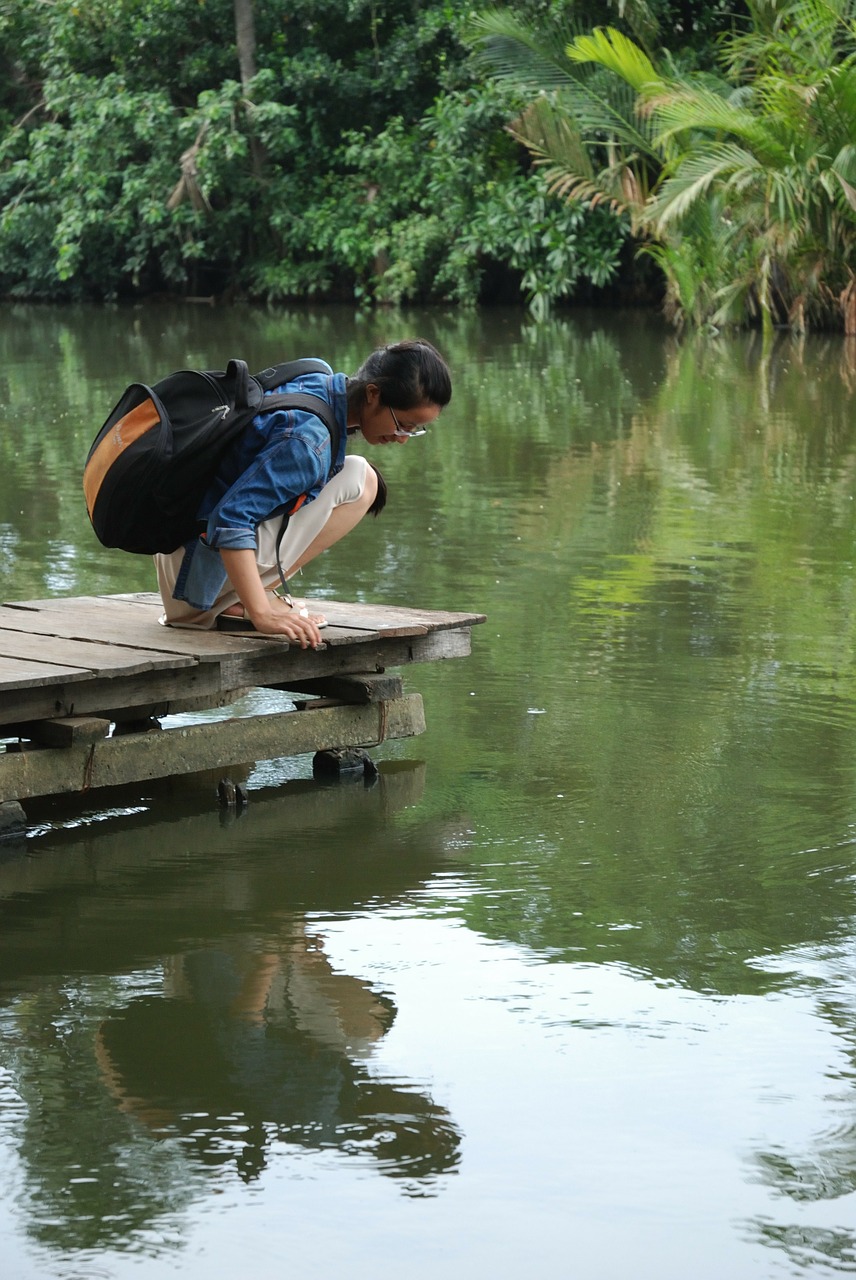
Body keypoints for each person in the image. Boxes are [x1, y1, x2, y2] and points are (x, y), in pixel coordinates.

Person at [154, 338, 451, 647]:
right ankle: (235, 600)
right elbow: (230, 519)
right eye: (402, 424)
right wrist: (262, 616)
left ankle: (246, 593)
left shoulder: (316, 375)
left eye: (413, 430)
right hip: (192, 587)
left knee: (363, 479)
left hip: (179, 552)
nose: (402, 438)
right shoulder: (308, 442)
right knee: (361, 482)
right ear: (373, 394)